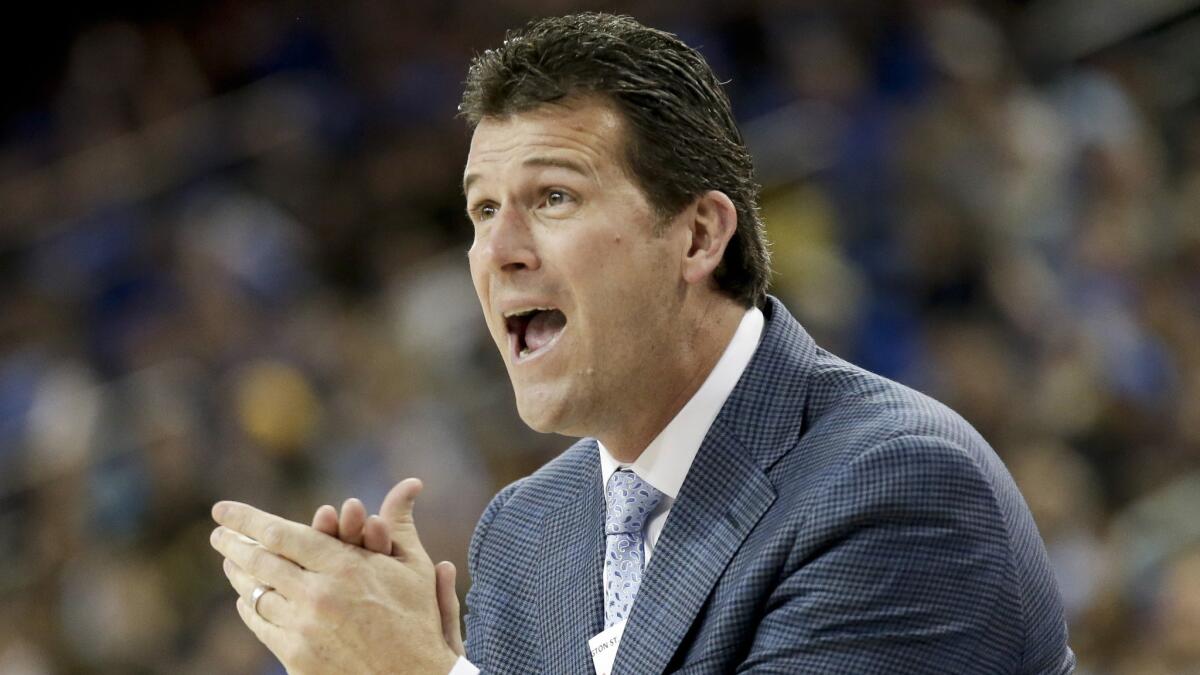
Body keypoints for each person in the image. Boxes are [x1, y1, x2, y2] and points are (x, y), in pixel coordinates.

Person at [210, 12, 1077, 674]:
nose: (499, 249)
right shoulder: (525, 535)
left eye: (552, 196)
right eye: (480, 209)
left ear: (698, 237)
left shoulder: (895, 486)